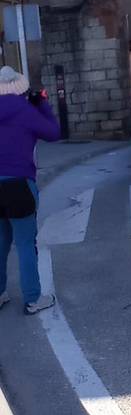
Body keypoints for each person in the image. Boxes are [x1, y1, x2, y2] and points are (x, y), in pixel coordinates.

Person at [0, 66, 61, 314]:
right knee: (25, 243)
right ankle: (33, 299)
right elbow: (54, 133)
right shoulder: (25, 110)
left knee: (1, 241)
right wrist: (42, 105)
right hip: (19, 183)